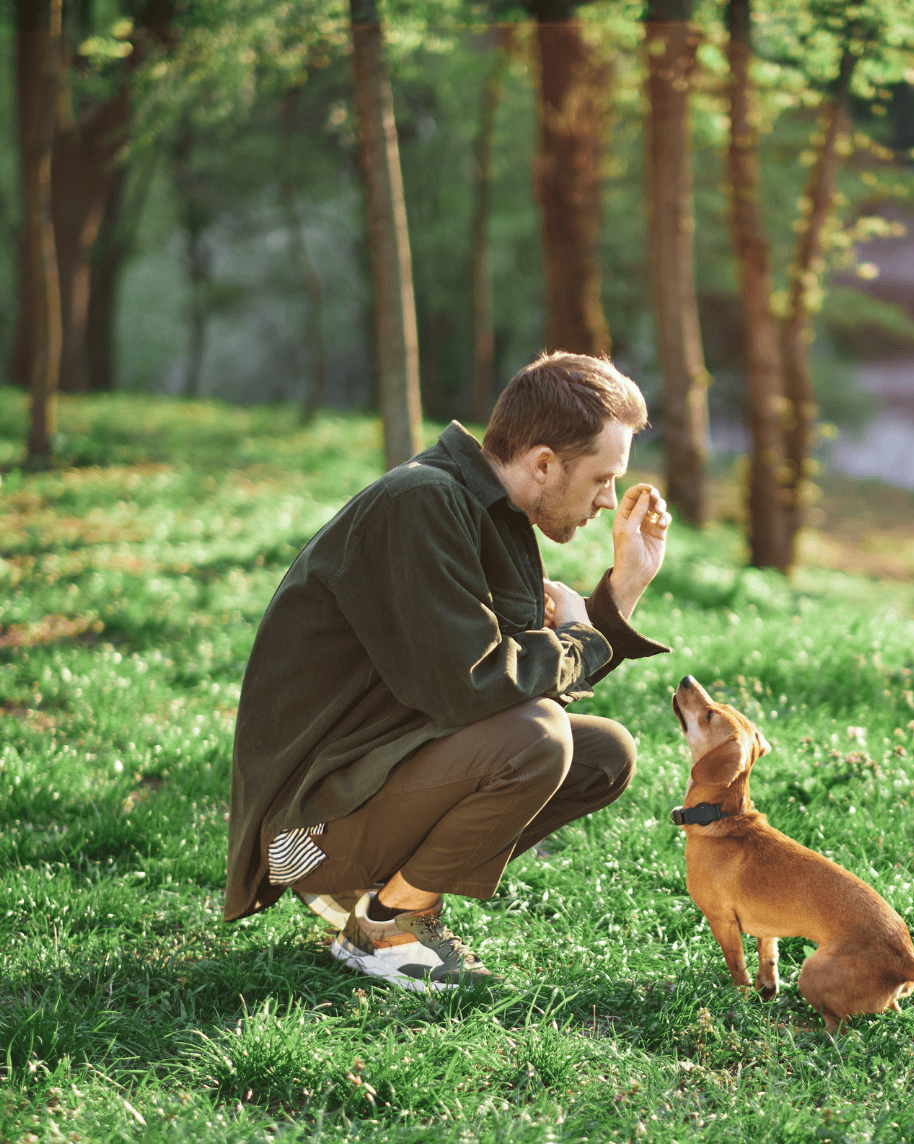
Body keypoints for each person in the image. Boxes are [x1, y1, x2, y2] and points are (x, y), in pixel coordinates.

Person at [224, 351, 672, 989]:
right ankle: (384, 925)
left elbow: (518, 689)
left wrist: (620, 592)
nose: (607, 500)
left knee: (602, 753)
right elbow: (478, 689)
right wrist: (580, 637)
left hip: (372, 774)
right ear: (544, 463)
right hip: (306, 825)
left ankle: (386, 899)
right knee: (538, 739)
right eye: (602, 478)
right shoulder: (424, 502)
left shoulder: (492, 512)